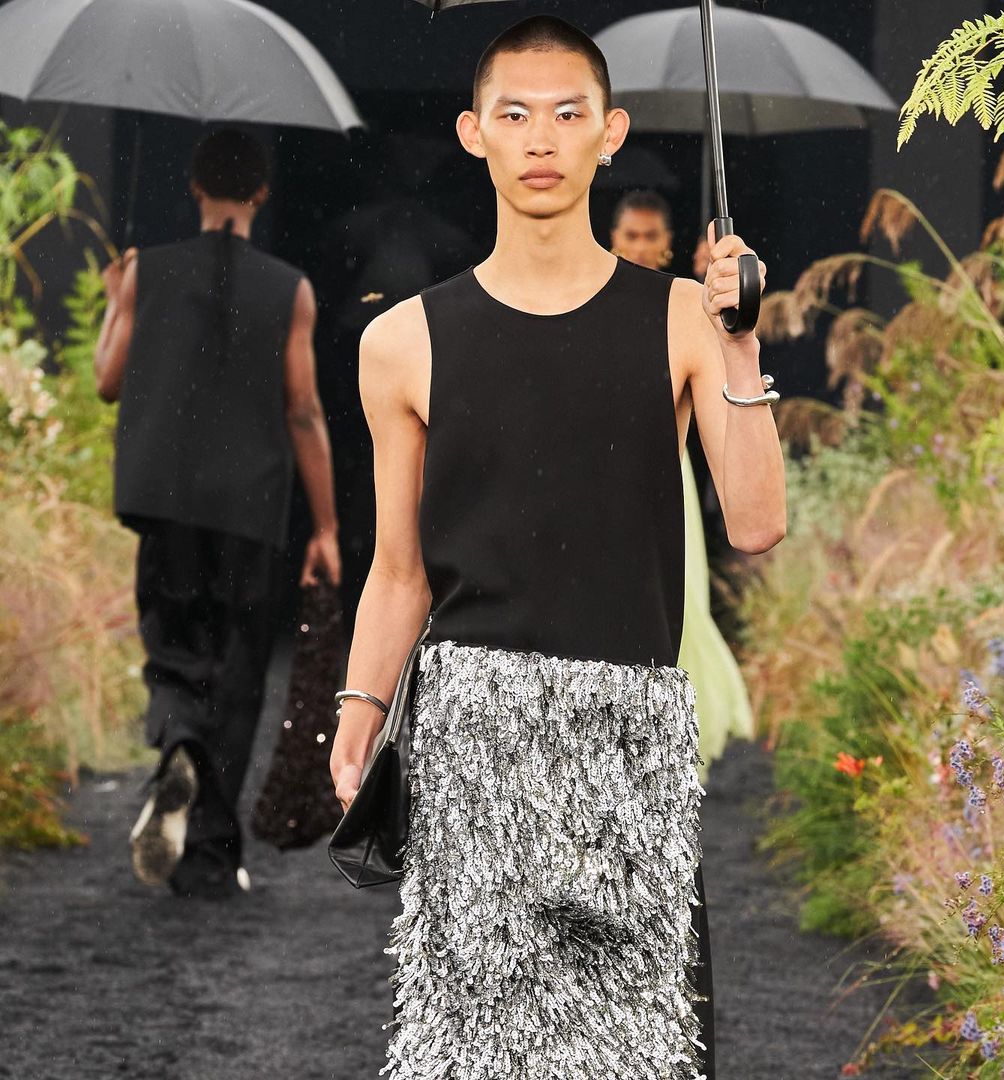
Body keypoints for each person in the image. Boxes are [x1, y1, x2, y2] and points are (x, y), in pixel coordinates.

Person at [330, 16, 784, 1079]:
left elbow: (756, 522)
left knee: (639, 1048)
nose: (541, 138)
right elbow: (398, 568)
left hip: (630, 750)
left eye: (569, 113)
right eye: (516, 114)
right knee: (474, 1049)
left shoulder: (684, 317)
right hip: (472, 745)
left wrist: (740, 345)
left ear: (609, 133)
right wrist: (358, 710)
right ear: (474, 133)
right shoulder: (400, 343)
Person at [94, 128, 341, 900]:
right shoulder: (291, 289)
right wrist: (327, 527)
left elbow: (107, 380)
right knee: (238, 671)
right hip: (250, 502)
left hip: (164, 498)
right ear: (262, 193)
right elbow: (303, 410)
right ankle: (208, 854)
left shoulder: (148, 270)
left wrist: (116, 301)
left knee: (172, 649)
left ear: (195, 187)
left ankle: (179, 742)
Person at [610, 191, 756, 772]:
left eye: (650, 236)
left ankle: (682, 729)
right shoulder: (594, 297)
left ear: (667, 243)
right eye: (631, 235)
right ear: (614, 238)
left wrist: (715, 295)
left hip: (666, 473)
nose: (640, 246)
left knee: (681, 599)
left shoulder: (688, 303)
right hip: (602, 473)